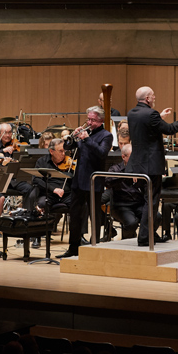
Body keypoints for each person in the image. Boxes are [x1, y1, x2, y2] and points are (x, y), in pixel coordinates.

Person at [126, 86, 178, 247]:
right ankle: (145, 237)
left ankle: (148, 234)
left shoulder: (132, 113)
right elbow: (169, 130)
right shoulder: (151, 114)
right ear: (147, 98)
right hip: (151, 164)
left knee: (148, 201)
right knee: (152, 201)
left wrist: (159, 116)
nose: (155, 97)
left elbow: (146, 126)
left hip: (136, 164)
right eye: (153, 95)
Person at [57, 106, 113, 258]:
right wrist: (72, 137)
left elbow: (102, 153)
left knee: (94, 217)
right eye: (88, 119)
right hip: (78, 181)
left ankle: (94, 247)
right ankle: (73, 248)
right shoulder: (83, 133)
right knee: (75, 216)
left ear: (101, 121)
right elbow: (69, 147)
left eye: (92, 120)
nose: (89, 122)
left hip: (94, 182)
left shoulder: (106, 136)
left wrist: (87, 139)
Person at [104, 144, 145, 241]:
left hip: (139, 204)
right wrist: (127, 174)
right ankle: (129, 243)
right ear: (123, 157)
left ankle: (144, 239)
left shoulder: (140, 169)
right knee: (131, 223)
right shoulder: (115, 169)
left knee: (156, 217)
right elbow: (107, 182)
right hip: (121, 206)